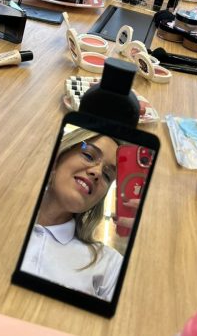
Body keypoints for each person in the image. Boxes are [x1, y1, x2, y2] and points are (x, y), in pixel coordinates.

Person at [20, 129, 123, 301]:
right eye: (88, 155)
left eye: (107, 175)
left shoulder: (109, 263)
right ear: (58, 157)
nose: (97, 172)